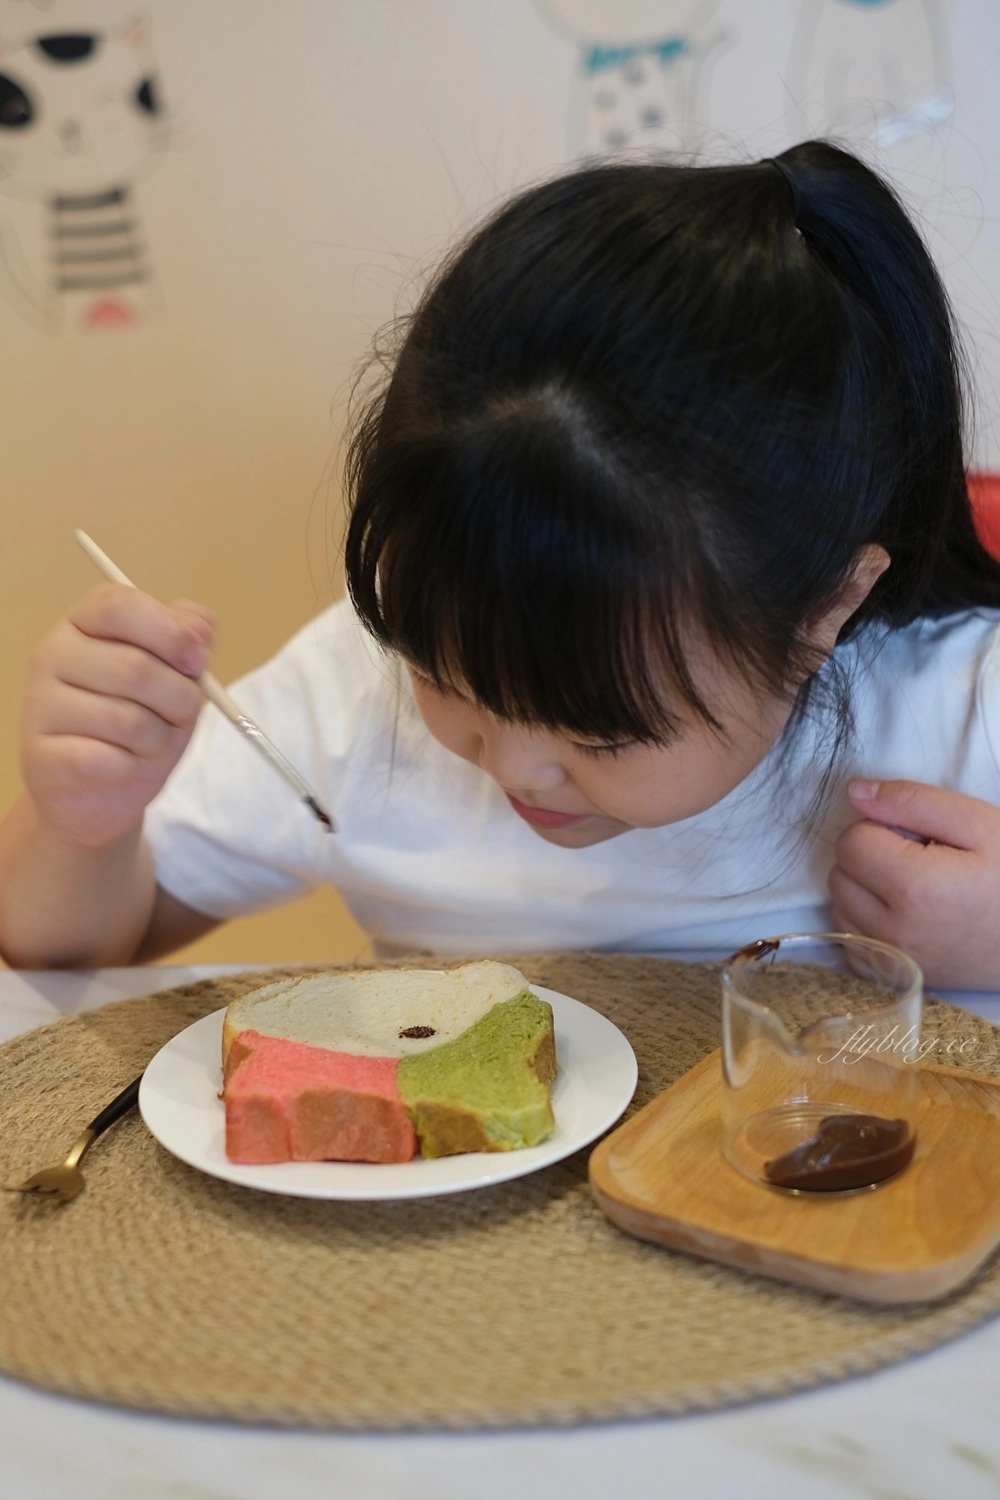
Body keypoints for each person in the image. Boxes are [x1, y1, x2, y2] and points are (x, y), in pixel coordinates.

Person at [3, 139, 1000, 986]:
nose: (511, 764)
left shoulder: (958, 710)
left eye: (600, 729)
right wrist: (82, 824)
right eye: (445, 675)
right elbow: (79, 959)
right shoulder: (353, 692)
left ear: (826, 605)